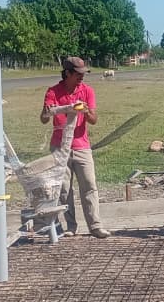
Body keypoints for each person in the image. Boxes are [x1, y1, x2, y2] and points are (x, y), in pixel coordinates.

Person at [40, 56, 111, 238]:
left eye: (83, 73)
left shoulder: (87, 91)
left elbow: (94, 120)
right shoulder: (53, 91)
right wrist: (47, 112)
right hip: (59, 147)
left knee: (89, 185)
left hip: (81, 146)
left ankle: (95, 226)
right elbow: (44, 118)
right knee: (64, 189)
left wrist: (86, 111)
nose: (82, 77)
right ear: (68, 73)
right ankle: (70, 227)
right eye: (78, 74)